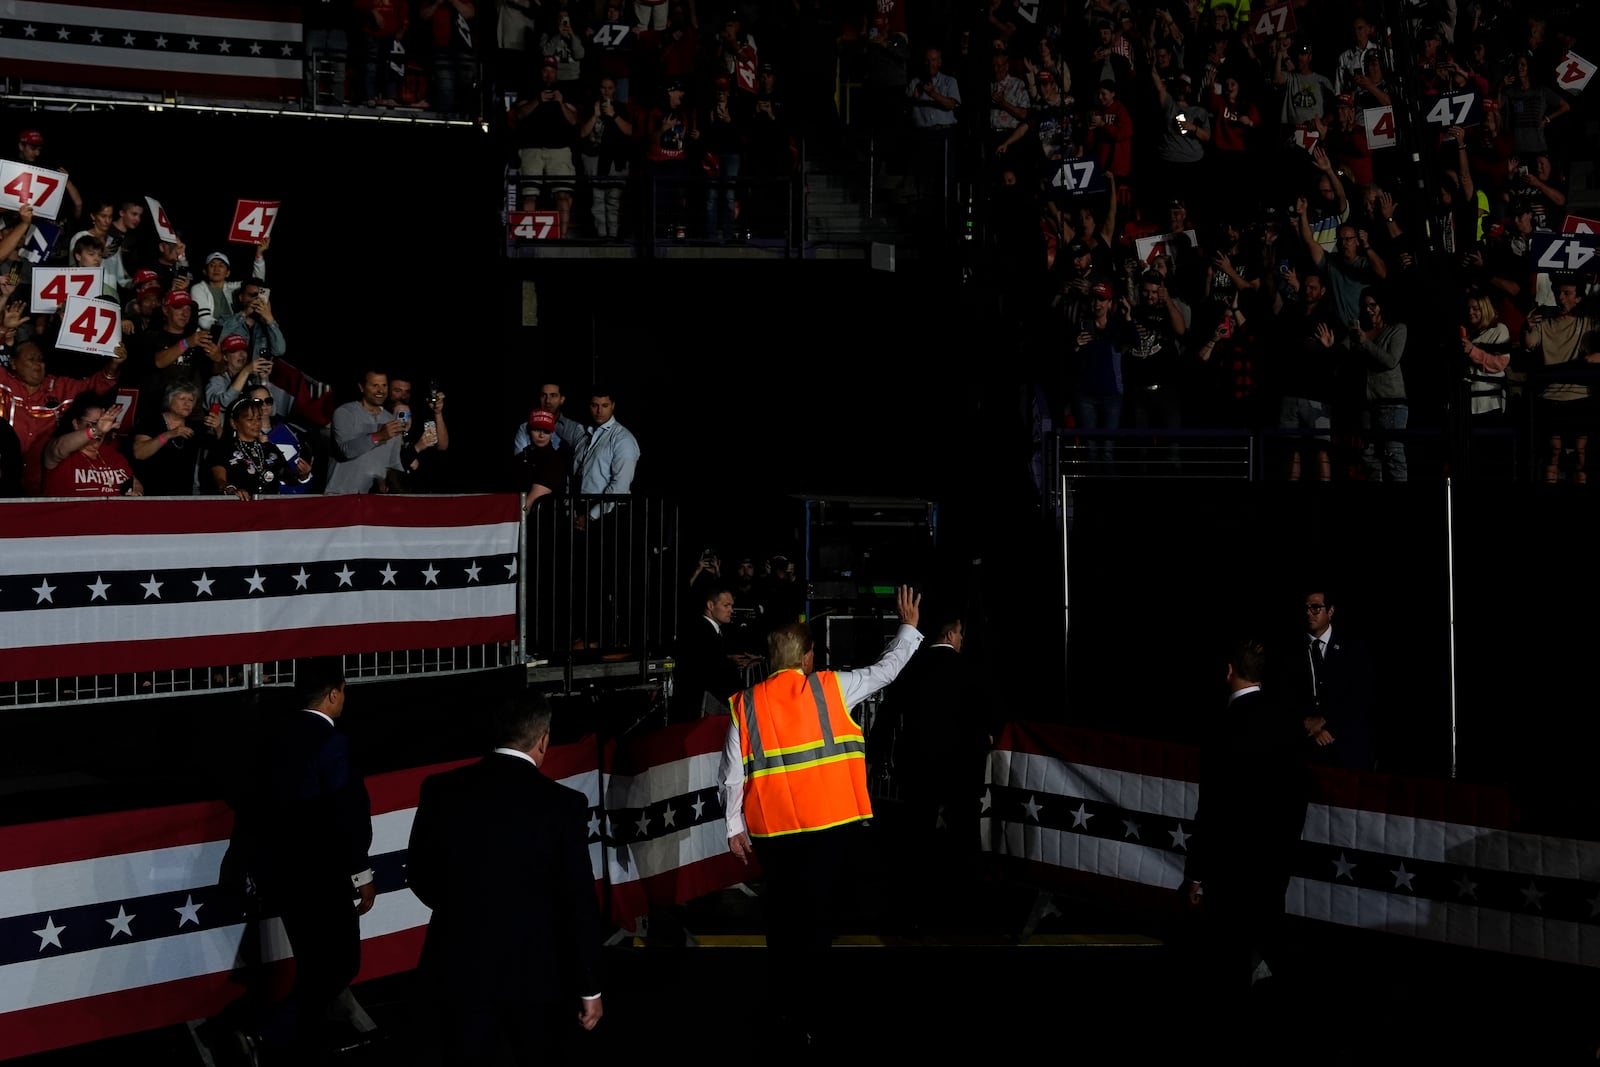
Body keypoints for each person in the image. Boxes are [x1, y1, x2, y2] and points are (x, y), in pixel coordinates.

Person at [718, 585, 922, 1045]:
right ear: (807, 658)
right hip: (829, 829)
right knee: (817, 919)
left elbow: (731, 774)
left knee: (782, 919)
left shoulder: (746, 704)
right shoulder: (832, 687)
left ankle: (785, 1007)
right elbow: (885, 672)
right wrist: (907, 628)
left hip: (773, 832)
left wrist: (733, 827)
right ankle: (809, 1013)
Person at [407, 696, 603, 1065]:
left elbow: (419, 873)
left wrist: (463, 911)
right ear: (543, 740)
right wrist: (588, 985)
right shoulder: (563, 805)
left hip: (456, 970)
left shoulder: (440, 789)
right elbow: (577, 902)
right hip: (537, 977)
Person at [238, 658, 375, 1059]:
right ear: (334, 694)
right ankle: (265, 1034)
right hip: (323, 875)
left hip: (280, 873)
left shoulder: (272, 738)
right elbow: (345, 813)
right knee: (341, 963)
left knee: (316, 963)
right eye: (344, 691)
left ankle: (297, 1037)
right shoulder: (331, 743)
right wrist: (360, 872)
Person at [1181, 638, 1308, 1027]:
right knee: (1271, 936)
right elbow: (1298, 795)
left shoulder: (1222, 725)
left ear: (1229, 671)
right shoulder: (1287, 722)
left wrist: (1196, 872)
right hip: (1274, 857)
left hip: (1230, 863)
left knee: (1228, 954)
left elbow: (1214, 805)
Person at [869, 613, 989, 933]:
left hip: (916, 764)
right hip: (960, 767)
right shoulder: (969, 670)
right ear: (951, 634)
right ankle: (963, 905)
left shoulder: (911, 668)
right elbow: (980, 724)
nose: (962, 639)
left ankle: (910, 907)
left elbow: (887, 716)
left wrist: (879, 757)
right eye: (960, 633)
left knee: (915, 833)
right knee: (963, 832)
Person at [1277, 589, 1376, 771]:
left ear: (1330, 611)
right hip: (1305, 751)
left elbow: (1361, 696)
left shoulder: (1353, 648)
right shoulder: (1289, 652)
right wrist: (1307, 724)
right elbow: (1284, 697)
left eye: (1315, 608)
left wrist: (1327, 722)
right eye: (1306, 608)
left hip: (1346, 750)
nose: (1308, 612)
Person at [670, 582, 752, 720]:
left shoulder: (716, 631)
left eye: (731, 605)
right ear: (710, 606)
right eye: (726, 605)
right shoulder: (700, 631)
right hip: (700, 708)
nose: (731, 610)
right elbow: (710, 670)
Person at [40, 391, 142, 497]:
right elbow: (58, 449)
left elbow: (135, 484)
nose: (102, 430)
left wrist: (137, 492)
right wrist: (95, 430)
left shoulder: (113, 455)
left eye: (104, 424)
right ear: (76, 424)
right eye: (94, 423)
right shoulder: (62, 450)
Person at [211, 395, 311, 499]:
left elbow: (289, 477)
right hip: (238, 509)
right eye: (250, 419)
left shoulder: (270, 448)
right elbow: (219, 480)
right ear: (233, 423)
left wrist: (303, 475)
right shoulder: (222, 448)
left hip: (269, 510)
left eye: (259, 418)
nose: (257, 423)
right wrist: (231, 489)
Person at [326, 368, 405, 493]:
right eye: (375, 385)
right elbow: (346, 450)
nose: (381, 390)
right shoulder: (345, 413)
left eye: (384, 385)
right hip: (340, 496)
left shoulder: (391, 420)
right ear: (362, 387)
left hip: (373, 501)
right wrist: (379, 436)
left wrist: (394, 486)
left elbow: (394, 462)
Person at [570, 385, 638, 528]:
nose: (599, 411)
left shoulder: (623, 439)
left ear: (613, 406)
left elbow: (620, 486)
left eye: (605, 405)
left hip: (606, 514)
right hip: (578, 507)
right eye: (595, 405)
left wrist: (591, 516)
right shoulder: (585, 434)